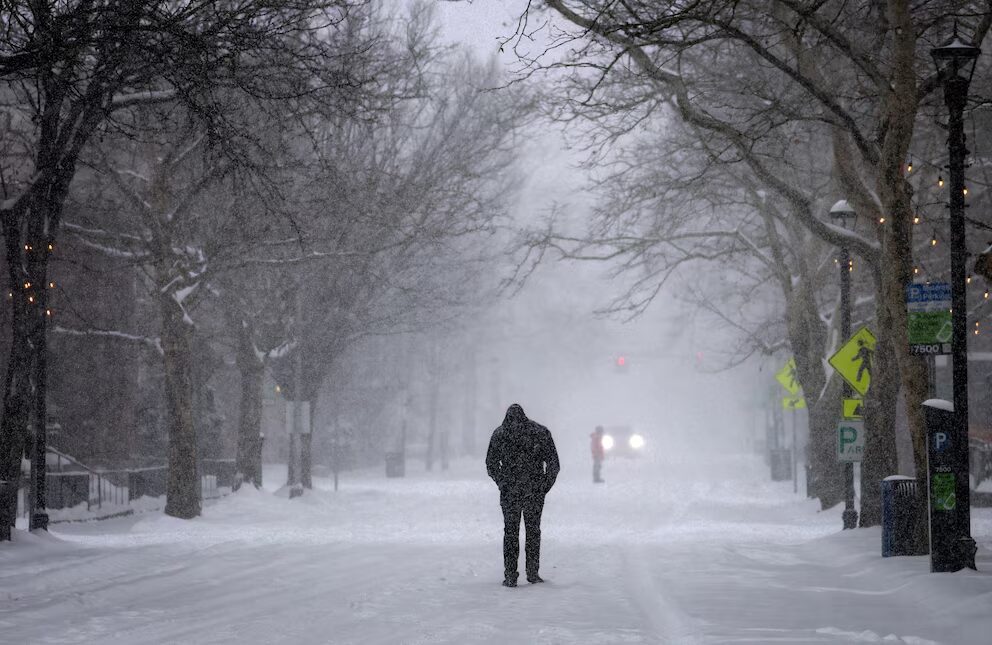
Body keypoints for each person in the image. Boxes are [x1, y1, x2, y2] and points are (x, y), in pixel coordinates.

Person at [486, 404, 560, 587]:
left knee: (510, 533)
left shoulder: (500, 434)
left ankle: (511, 575)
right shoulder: (540, 432)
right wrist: (543, 486)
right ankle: (532, 573)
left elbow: (491, 463)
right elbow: (553, 464)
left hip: (510, 492)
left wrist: (502, 482)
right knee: (533, 532)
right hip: (533, 491)